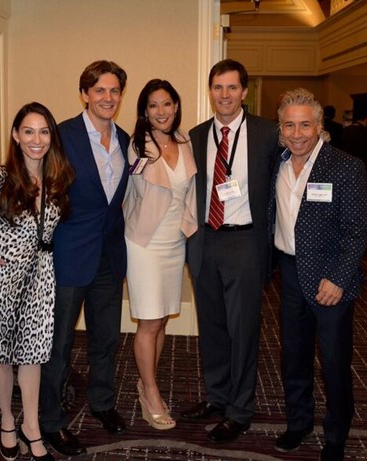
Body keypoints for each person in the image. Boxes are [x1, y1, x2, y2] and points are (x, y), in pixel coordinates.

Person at [180, 59, 279, 443]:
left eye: (232, 87)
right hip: (205, 241)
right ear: (210, 91)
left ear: (244, 91)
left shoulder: (267, 133)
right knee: (213, 326)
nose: (225, 95)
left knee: (243, 329)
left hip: (245, 242)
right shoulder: (196, 135)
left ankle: (239, 410)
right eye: (218, 87)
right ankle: (217, 396)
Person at [270, 88, 367, 460]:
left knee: (334, 361)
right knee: (293, 355)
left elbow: (357, 230)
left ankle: (336, 436)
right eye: (289, 125)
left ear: (319, 126)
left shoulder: (345, 166)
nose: (297, 134)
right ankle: (298, 423)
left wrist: (340, 278)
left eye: (304, 125)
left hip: (331, 278)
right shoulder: (276, 163)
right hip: (290, 273)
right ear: (281, 128)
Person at [39, 60, 130, 457]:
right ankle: (51, 420)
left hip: (110, 255)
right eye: (99, 90)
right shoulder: (62, 135)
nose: (107, 97)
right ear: (85, 94)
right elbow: (37, 186)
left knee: (105, 338)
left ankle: (102, 402)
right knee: (58, 344)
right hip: (69, 255)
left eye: (114, 91)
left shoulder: (126, 138)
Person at [0, 102, 73, 461]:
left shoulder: (58, 179)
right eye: (29, 131)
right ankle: (8, 422)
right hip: (6, 276)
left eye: (44, 131)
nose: (37, 139)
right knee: (2, 353)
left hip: (42, 277)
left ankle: (31, 426)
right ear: (16, 136)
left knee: (34, 355)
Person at [123, 79, 197, 430]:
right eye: (153, 105)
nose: (161, 111)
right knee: (149, 321)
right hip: (145, 243)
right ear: (144, 111)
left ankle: (146, 381)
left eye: (167, 103)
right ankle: (150, 392)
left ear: (176, 106)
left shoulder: (185, 141)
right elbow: (130, 193)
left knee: (163, 317)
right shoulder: (137, 145)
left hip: (175, 241)